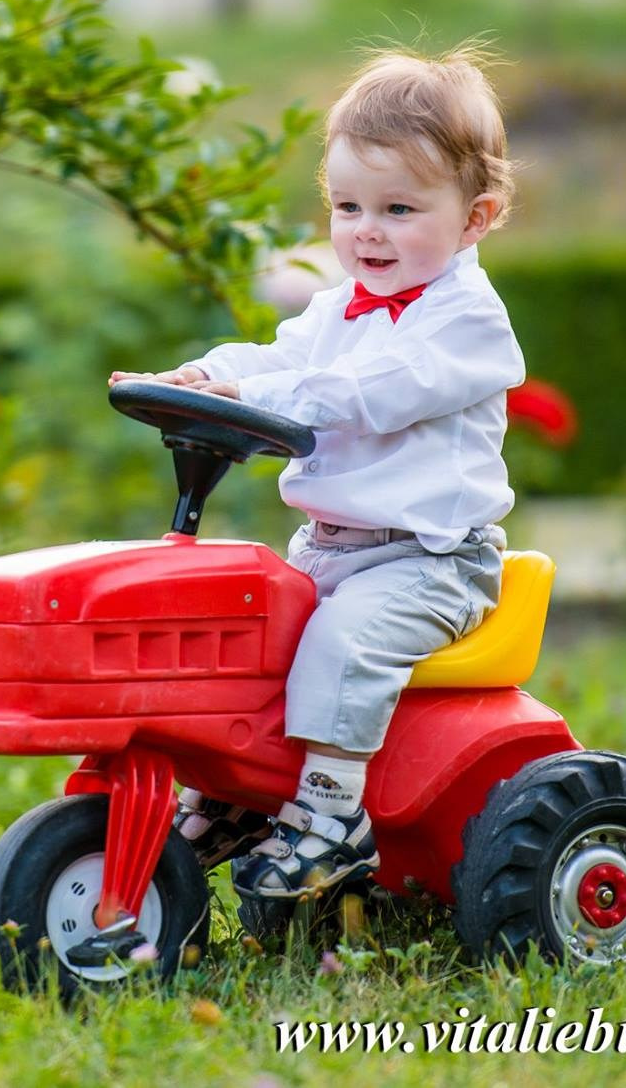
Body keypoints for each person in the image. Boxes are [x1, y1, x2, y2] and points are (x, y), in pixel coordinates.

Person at [108, 47, 524, 902]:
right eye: (347, 206)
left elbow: (366, 393)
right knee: (244, 630)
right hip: (329, 550)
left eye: (398, 208)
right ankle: (236, 791)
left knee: (343, 643)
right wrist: (206, 376)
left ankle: (334, 817)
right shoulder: (341, 305)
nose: (366, 230)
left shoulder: (467, 326)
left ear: (475, 218)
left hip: (430, 562)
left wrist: (258, 394)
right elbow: (279, 356)